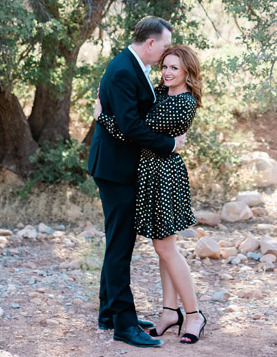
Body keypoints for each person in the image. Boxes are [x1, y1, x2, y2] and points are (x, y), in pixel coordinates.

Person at [95, 45, 207, 344]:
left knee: (166, 248)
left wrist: (102, 115)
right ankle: (170, 312)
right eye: (165, 66)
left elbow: (134, 130)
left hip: (164, 175)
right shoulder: (161, 92)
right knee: (163, 248)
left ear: (188, 72)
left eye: (175, 68)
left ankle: (194, 315)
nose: (168, 73)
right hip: (150, 173)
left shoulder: (183, 103)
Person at [87, 17, 186, 348]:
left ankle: (108, 313)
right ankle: (124, 325)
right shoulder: (125, 70)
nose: (164, 54)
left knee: (117, 242)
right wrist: (170, 144)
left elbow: (130, 118)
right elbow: (130, 127)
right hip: (116, 170)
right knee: (120, 246)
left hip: (118, 167)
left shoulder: (132, 65)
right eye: (163, 46)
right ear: (150, 43)